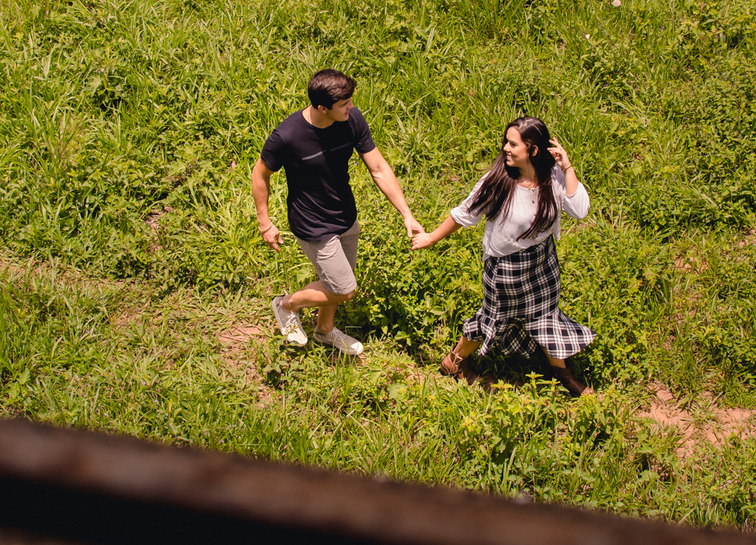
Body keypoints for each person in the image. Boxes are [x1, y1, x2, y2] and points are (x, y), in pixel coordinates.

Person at [411, 116, 593, 396]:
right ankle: (453, 362)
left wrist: (567, 167)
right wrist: (432, 237)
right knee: (493, 319)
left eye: (513, 144)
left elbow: (579, 210)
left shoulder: (553, 176)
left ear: (533, 150)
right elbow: (464, 213)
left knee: (547, 317)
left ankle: (563, 374)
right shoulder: (498, 181)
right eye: (506, 142)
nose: (505, 148)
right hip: (506, 269)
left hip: (543, 262)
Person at [252, 69, 424, 355]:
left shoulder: (351, 120)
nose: (351, 107)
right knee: (344, 290)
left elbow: (378, 168)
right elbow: (260, 174)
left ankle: (324, 330)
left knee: (336, 280)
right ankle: (286, 305)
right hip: (312, 223)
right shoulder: (287, 136)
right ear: (322, 108)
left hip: (345, 215)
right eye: (344, 104)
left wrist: (406, 213)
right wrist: (265, 223)